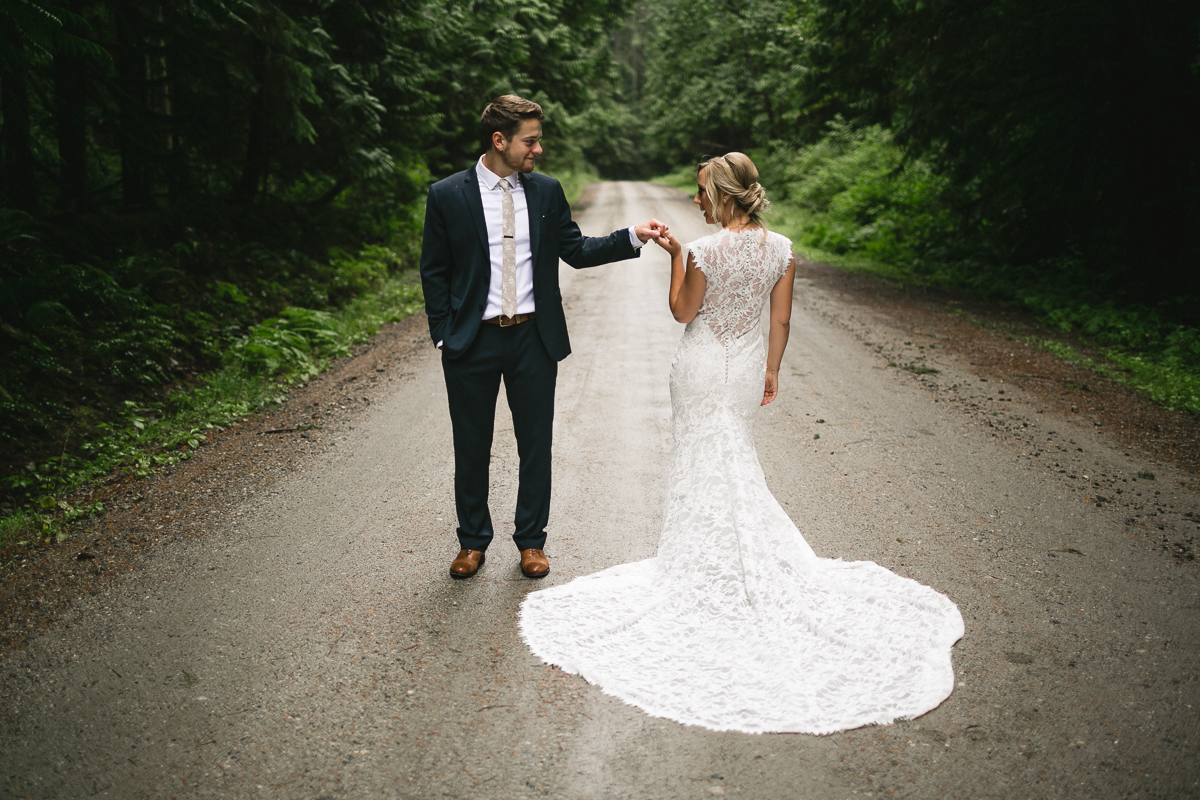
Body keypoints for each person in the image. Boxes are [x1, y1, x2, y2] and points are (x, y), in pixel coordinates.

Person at [519, 153, 964, 734]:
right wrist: (772, 369)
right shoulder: (782, 249)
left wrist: (676, 258)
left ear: (723, 195)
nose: (697, 202)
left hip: (703, 367)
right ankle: (731, 562)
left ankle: (701, 571)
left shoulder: (703, 251)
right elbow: (779, 322)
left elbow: (683, 312)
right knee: (733, 461)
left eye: (702, 193)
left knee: (704, 464)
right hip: (747, 366)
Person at [419, 95, 666, 580]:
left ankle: (532, 542)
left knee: (536, 443)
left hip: (534, 338)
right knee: (471, 444)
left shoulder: (546, 192)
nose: (538, 149)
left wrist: (632, 236)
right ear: (499, 140)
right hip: (471, 342)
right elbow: (435, 270)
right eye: (530, 141)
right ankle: (472, 543)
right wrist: (444, 334)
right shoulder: (448, 194)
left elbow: (575, 249)